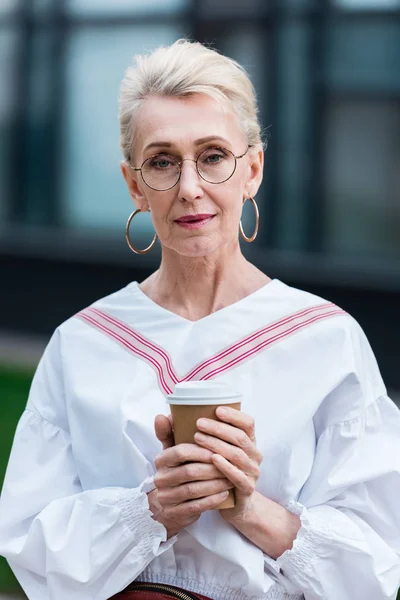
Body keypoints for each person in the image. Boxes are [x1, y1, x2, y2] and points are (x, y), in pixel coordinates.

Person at [0, 38, 400, 600]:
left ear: (252, 169)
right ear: (135, 185)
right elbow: (29, 550)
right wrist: (153, 510)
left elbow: (373, 569)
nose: (190, 189)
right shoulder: (82, 342)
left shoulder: (326, 339)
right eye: (162, 162)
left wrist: (247, 506)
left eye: (212, 155)